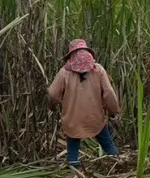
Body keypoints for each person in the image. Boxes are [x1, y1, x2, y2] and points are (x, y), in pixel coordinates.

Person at [47, 39, 121, 168]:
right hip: (95, 117)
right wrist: (114, 111)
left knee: (73, 147)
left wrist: (53, 105)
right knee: (107, 143)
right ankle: (116, 164)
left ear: (71, 55)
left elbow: (52, 94)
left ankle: (74, 172)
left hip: (73, 118)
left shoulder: (64, 72)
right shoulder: (98, 70)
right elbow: (109, 93)